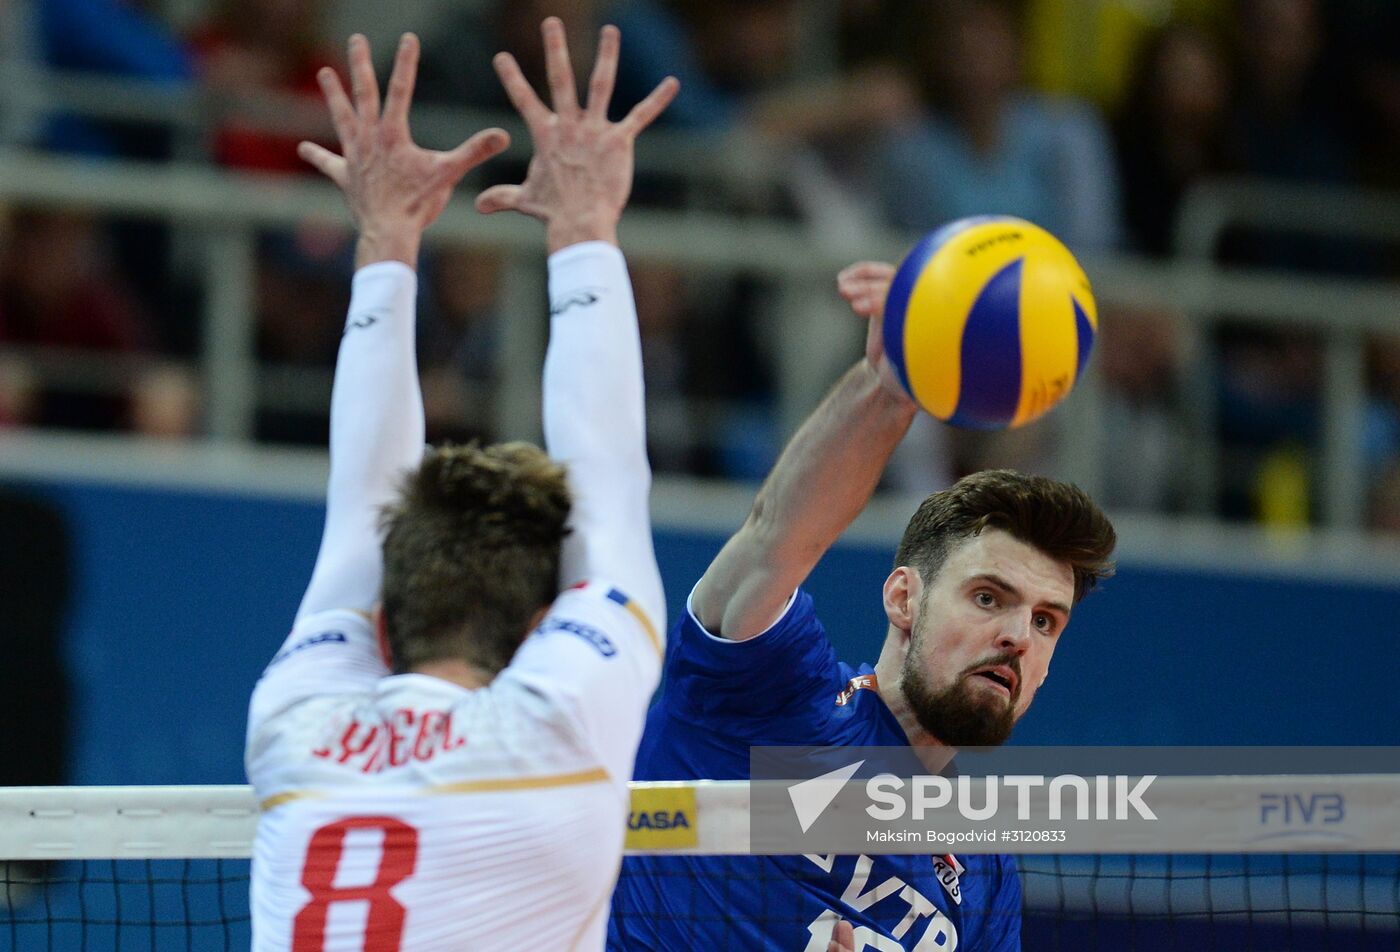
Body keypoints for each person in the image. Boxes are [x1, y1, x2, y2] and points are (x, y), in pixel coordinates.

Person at [245, 21, 677, 950]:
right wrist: (588, 227)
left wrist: (386, 236)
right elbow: (603, 479)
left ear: (384, 624)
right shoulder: (556, 726)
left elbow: (365, 512)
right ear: (539, 629)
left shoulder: (297, 727)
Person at [608, 262, 1117, 949]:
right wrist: (890, 390)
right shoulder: (782, 706)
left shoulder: (985, 870)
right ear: (905, 598)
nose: (1017, 637)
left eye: (1045, 620)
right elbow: (775, 538)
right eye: (989, 596)